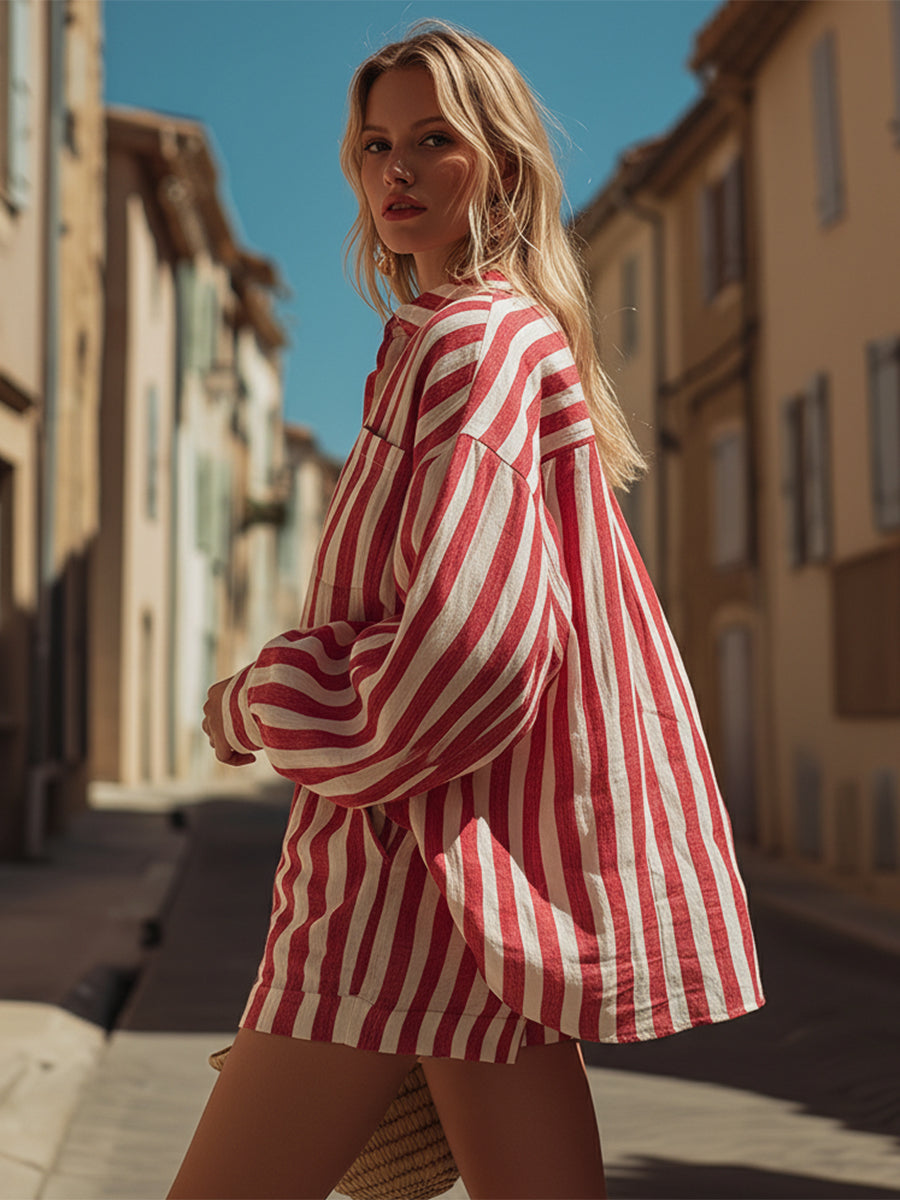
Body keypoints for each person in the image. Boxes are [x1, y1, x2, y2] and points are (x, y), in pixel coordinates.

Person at [169, 21, 764, 1200]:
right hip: (480, 870)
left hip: (403, 869)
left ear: (498, 159)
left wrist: (257, 702)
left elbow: (469, 654)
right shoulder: (494, 340)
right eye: (374, 143)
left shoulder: (468, 346)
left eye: (432, 140)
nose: (393, 170)